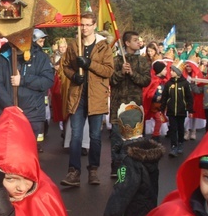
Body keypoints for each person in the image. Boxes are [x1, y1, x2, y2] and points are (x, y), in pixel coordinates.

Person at [61, 11, 114, 186]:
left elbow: (108, 71)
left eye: (88, 25)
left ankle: (93, 169)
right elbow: (66, 66)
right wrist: (74, 76)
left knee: (95, 136)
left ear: (94, 26)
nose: (84, 28)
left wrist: (90, 64)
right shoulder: (74, 45)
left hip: (97, 96)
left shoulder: (103, 47)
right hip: (78, 95)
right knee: (75, 135)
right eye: (82, 25)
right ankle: (73, 171)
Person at [101, 102, 164, 216]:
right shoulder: (149, 152)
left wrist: (110, 214)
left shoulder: (129, 159)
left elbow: (123, 188)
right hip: (148, 210)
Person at [0, 31, 54, 152]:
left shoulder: (40, 57)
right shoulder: (4, 57)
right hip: (9, 112)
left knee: (28, 153)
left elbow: (47, 81)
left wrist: (23, 80)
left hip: (32, 114)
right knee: (10, 153)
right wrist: (10, 106)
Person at [109, 31, 151, 176]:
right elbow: (111, 81)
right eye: (135, 40)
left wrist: (133, 74)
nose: (138, 42)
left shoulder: (142, 61)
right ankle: (116, 166)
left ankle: (134, 167)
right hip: (117, 106)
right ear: (126, 43)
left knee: (134, 139)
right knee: (116, 138)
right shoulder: (115, 61)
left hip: (134, 106)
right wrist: (121, 72)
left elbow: (146, 81)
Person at [161, 59, 193, 157]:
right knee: (173, 129)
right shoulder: (168, 84)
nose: (171, 72)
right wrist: (162, 109)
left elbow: (189, 98)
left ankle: (180, 144)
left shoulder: (185, 84)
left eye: (173, 71)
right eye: (171, 70)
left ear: (178, 72)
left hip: (181, 111)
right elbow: (164, 97)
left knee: (180, 128)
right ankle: (173, 146)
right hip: (171, 111)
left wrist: (190, 109)